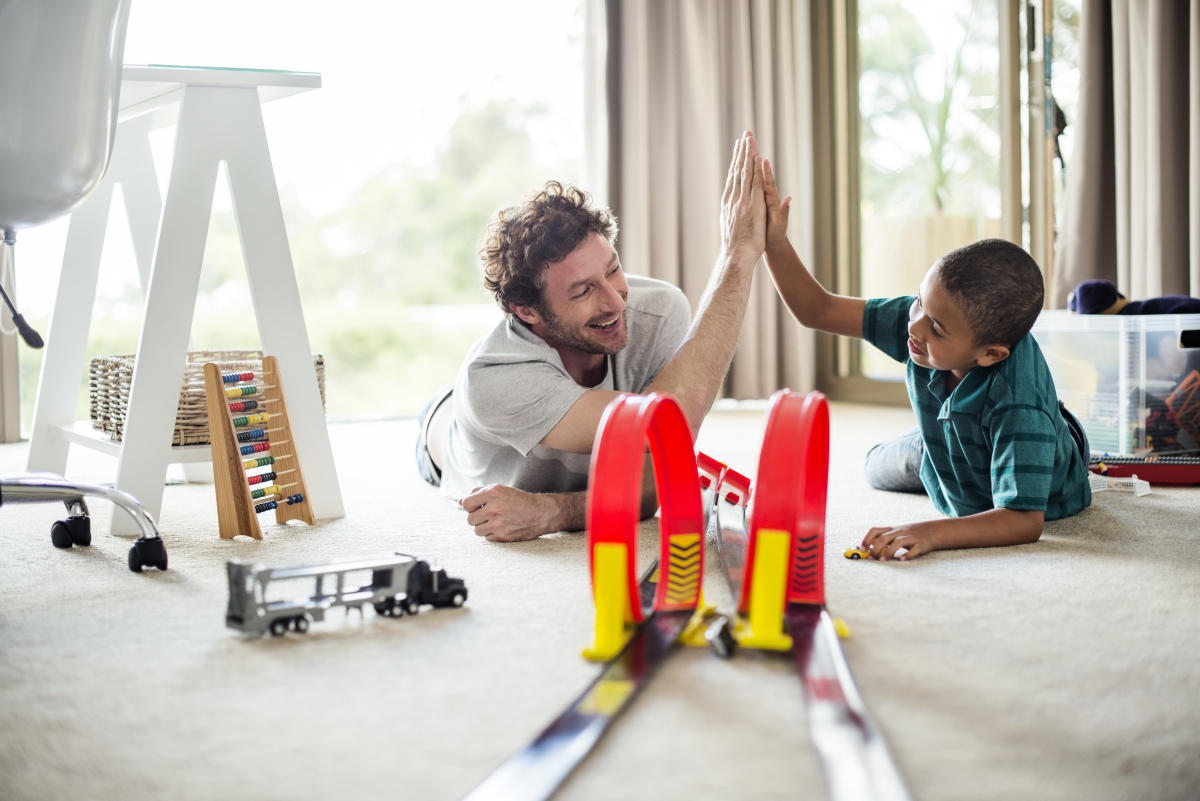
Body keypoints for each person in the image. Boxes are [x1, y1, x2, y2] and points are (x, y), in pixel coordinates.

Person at [416, 132, 767, 542]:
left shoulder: (658, 310)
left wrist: (551, 512)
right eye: (582, 291)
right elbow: (663, 435)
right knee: (446, 416)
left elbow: (656, 480)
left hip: (536, 409)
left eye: (613, 269)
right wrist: (736, 257)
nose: (615, 302)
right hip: (452, 435)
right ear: (527, 310)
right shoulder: (493, 378)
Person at [759, 160, 1092, 561]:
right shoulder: (925, 319)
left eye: (936, 328)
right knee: (873, 468)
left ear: (990, 354)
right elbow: (819, 309)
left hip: (1033, 466)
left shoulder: (1020, 407)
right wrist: (775, 242)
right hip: (942, 448)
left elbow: (1023, 521)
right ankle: (937, 446)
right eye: (919, 301)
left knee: (999, 486)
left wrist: (929, 533)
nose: (915, 327)